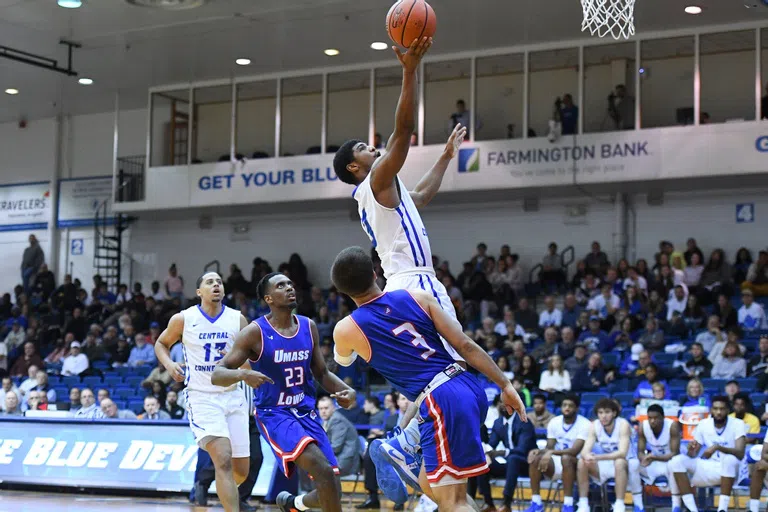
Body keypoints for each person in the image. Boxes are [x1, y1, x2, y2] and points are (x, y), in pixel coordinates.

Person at [332, 34, 469, 497]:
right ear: (355, 167)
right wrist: (410, 69)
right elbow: (404, 133)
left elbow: (423, 195)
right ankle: (407, 442)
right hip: (415, 282)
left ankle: (409, 446)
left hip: (405, 281)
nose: (374, 150)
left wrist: (446, 159)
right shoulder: (376, 179)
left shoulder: (383, 192)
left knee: (437, 374)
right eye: (365, 150)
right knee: (456, 367)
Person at [330, 246, 527, 512]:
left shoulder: (345, 329)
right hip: (466, 384)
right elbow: (465, 346)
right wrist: (505, 384)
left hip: (439, 399)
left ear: (342, 292)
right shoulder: (417, 297)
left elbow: (343, 361)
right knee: (430, 485)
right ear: (375, 273)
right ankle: (401, 448)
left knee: (452, 501)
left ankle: (399, 448)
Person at [211, 272, 357, 512]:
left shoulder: (308, 326)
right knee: (321, 468)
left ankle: (293, 503)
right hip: (275, 413)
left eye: (290, 283)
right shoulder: (255, 332)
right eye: (281, 286)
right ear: (268, 298)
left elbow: (321, 373)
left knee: (332, 486)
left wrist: (346, 389)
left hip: (305, 411)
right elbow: (218, 373)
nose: (289, 287)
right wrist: (242, 374)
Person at [154, 272, 250, 512]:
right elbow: (161, 344)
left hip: (234, 396)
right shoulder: (184, 319)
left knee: (240, 470)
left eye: (219, 281)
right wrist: (169, 364)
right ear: (199, 292)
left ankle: (221, 486)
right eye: (209, 282)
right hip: (202, 397)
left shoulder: (238, 320)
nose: (216, 284)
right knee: (224, 459)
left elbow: (248, 362)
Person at [668, 396, 746, 512]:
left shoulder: (738, 424)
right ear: (711, 410)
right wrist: (691, 449)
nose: (718, 412)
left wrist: (717, 447)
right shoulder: (704, 424)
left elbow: (740, 453)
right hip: (708, 467)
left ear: (728, 410)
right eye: (715, 409)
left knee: (729, 459)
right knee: (676, 461)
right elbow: (693, 454)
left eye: (722, 409)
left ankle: (722, 509)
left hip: (732, 471)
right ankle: (692, 509)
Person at [526, 394, 591, 512]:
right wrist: (539, 452)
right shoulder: (554, 422)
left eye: (570, 406)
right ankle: (536, 502)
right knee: (535, 459)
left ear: (577, 408)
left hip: (578, 465)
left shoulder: (585, 424)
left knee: (566, 458)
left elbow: (574, 451)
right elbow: (549, 446)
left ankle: (568, 504)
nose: (567, 408)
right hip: (558, 462)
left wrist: (550, 452)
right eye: (564, 405)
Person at [577, 399, 639, 512]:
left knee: (620, 461)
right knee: (582, 462)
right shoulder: (594, 425)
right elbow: (584, 450)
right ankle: (583, 504)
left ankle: (619, 504)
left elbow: (622, 453)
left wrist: (597, 457)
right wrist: (587, 456)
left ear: (614, 413)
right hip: (606, 463)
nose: (603, 416)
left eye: (607, 412)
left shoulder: (623, 424)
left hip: (627, 465)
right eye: (600, 413)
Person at [637, 404, 681, 510]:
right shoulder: (643, 426)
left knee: (675, 464)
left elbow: (674, 453)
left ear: (663, 417)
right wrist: (643, 458)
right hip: (654, 462)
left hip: (669, 462)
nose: (652, 421)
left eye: (656, 418)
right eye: (650, 418)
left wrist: (653, 458)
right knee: (633, 465)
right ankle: (638, 504)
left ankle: (676, 505)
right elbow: (640, 451)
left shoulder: (672, 426)